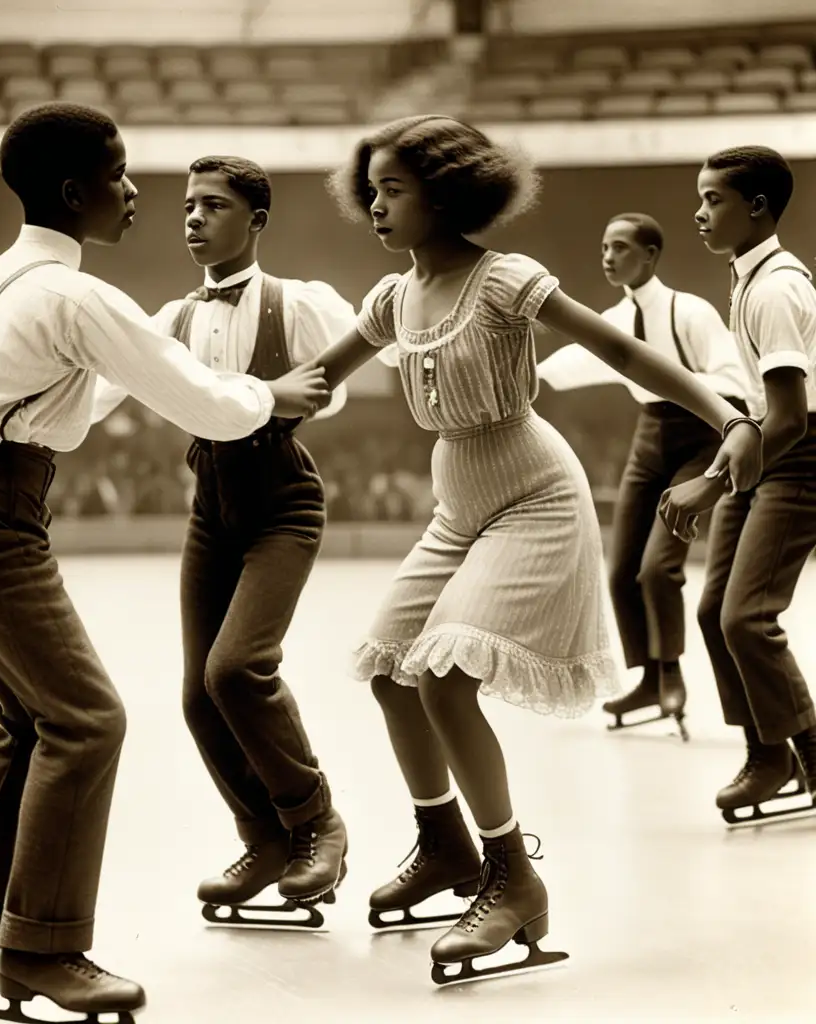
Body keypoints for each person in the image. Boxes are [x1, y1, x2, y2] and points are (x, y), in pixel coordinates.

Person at [0, 103, 329, 1023]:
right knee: (88, 721)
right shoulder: (78, 298)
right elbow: (203, 404)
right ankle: (44, 953)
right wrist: (266, 393)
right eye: (120, 176)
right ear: (79, 192)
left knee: (26, 720)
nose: (134, 194)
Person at [305, 114, 762, 983]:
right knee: (391, 675)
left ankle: (514, 880)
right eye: (369, 190)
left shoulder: (504, 280)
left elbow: (624, 348)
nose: (374, 205)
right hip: (457, 502)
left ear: (444, 196)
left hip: (534, 495)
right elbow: (314, 380)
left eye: (392, 189)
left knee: (442, 677)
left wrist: (730, 418)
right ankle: (443, 846)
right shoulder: (390, 298)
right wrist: (225, 404)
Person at [94, 155, 354, 927]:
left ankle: (319, 824)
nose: (194, 218)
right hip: (210, 506)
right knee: (197, 697)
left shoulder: (297, 305)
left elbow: (378, 344)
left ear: (258, 222)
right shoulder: (168, 321)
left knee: (237, 669)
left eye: (214, 205)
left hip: (283, 501)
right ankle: (266, 840)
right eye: (188, 206)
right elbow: (99, 393)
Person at [538, 212, 749, 740]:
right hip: (649, 438)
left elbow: (731, 378)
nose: (608, 256)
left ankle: (673, 673)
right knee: (620, 569)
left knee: (658, 568)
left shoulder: (690, 312)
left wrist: (663, 376)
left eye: (622, 248)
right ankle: (650, 677)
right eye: (604, 247)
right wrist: (525, 371)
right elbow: (573, 365)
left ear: (651, 255)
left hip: (701, 435)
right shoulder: (612, 320)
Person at [661, 145, 816, 823]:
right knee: (712, 612)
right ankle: (769, 753)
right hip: (762, 449)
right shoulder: (746, 275)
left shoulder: (778, 286)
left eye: (713, 200)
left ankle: (807, 755)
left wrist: (710, 483)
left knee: (746, 618)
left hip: (800, 456)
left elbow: (786, 419)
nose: (698, 213)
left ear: (756, 208)